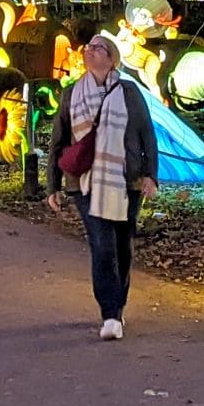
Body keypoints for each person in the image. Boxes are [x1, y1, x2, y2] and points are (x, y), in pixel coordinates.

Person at [46, 33, 158, 341]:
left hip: (126, 181)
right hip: (84, 182)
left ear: (111, 58)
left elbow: (146, 134)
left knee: (123, 247)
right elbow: (59, 141)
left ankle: (117, 307)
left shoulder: (129, 92)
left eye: (97, 48)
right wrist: (52, 186)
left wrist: (150, 175)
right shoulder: (72, 94)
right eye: (88, 48)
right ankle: (109, 313)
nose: (89, 51)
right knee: (102, 244)